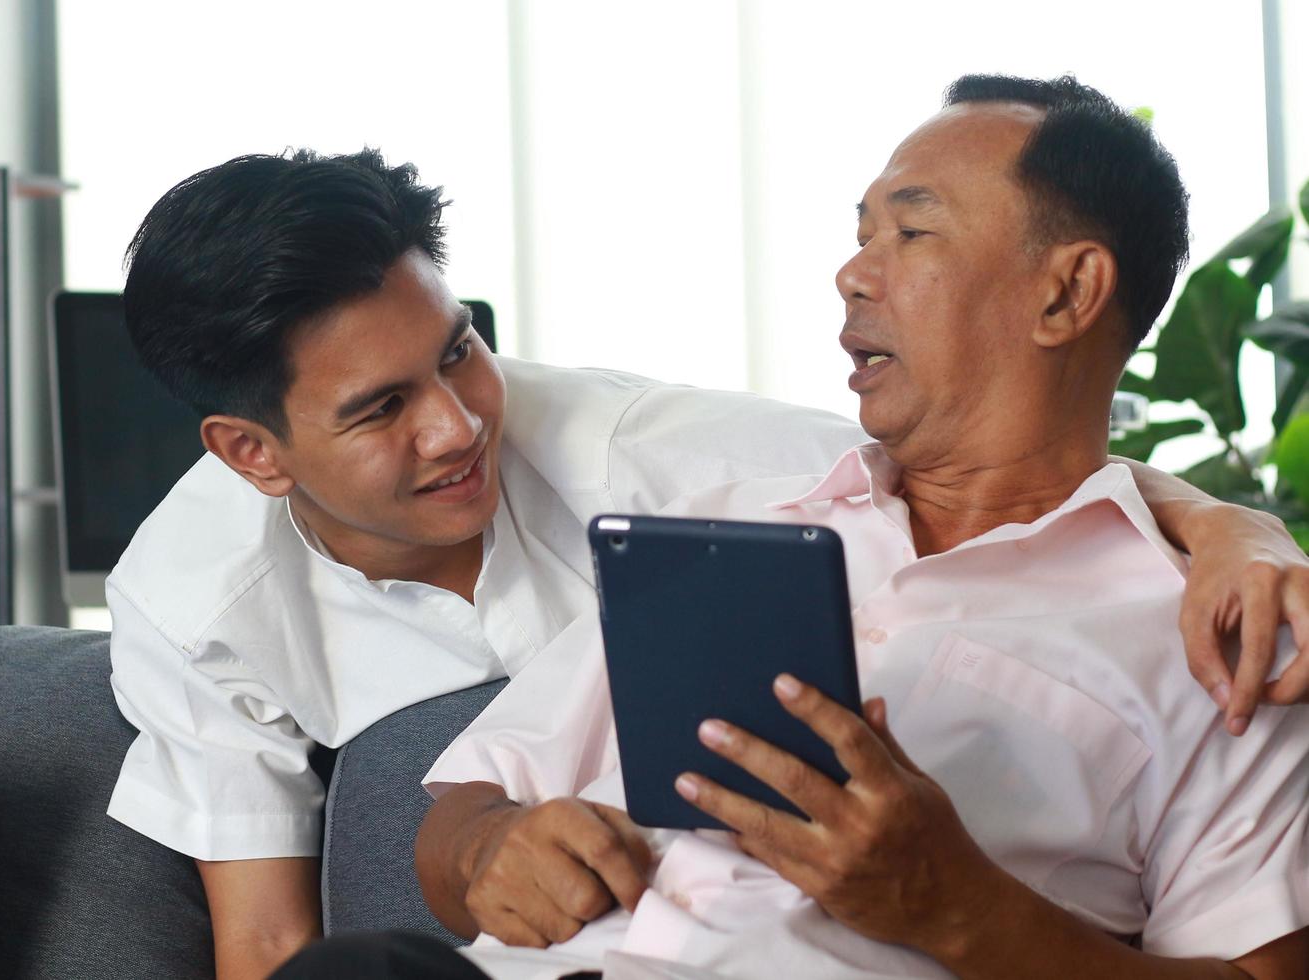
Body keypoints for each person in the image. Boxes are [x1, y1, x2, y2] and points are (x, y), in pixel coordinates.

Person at [106, 147, 1309, 979]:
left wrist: (1231, 526)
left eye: (462, 347)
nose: (462, 423)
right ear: (251, 453)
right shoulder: (190, 599)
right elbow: (271, 937)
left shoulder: (676, 462)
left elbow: (983, 466)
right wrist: (485, 853)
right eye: (380, 410)